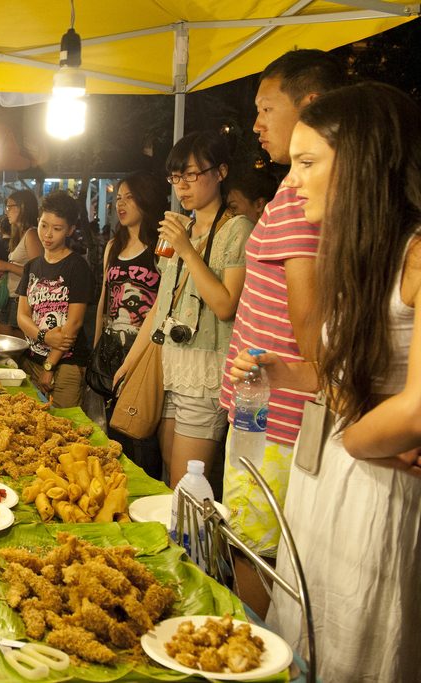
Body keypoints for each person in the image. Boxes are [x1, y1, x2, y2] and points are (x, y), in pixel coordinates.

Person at [229, 82, 421, 683]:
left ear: (364, 164)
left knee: (357, 646)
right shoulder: (362, 252)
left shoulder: (417, 255)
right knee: (303, 631)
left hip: (375, 487)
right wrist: (283, 372)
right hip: (328, 477)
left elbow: (415, 408)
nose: (292, 179)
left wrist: (357, 439)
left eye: (309, 163)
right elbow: (342, 372)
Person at [217, 49, 348, 616]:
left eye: (267, 107)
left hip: (275, 420)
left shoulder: (302, 203)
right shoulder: (294, 196)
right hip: (261, 412)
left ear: (311, 106)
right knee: (251, 550)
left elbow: (311, 330)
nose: (256, 123)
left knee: (256, 556)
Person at [116, 131, 253, 488]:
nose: (182, 186)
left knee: (185, 484)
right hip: (171, 366)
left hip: (205, 371)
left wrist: (187, 250)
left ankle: (197, 545)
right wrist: (130, 362)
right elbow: (162, 305)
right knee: (167, 473)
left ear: (220, 172)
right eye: (176, 177)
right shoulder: (184, 226)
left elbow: (225, 305)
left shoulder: (237, 230)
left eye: (191, 175)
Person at [94, 171, 166, 478]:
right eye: (118, 198)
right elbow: (103, 299)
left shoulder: (161, 247)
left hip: (144, 351)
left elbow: (164, 304)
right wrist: (97, 346)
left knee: (140, 429)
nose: (121, 204)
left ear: (146, 200)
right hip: (111, 349)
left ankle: (144, 489)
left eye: (129, 197)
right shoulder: (113, 246)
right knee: (113, 429)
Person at [16, 191, 97, 409]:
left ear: (70, 230)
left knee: (65, 426)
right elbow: (22, 315)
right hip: (31, 359)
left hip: (65, 364)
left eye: (57, 228)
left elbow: (74, 324)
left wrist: (50, 365)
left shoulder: (77, 267)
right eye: (44, 225)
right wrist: (44, 336)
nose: (48, 234)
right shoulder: (32, 266)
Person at [0, 189, 40, 336]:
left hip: (21, 300)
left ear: (22, 207)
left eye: (9, 207)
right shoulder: (19, 235)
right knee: (2, 343)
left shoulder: (32, 234)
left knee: (15, 349)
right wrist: (5, 270)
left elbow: (37, 273)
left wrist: (8, 266)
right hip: (11, 298)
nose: (6, 212)